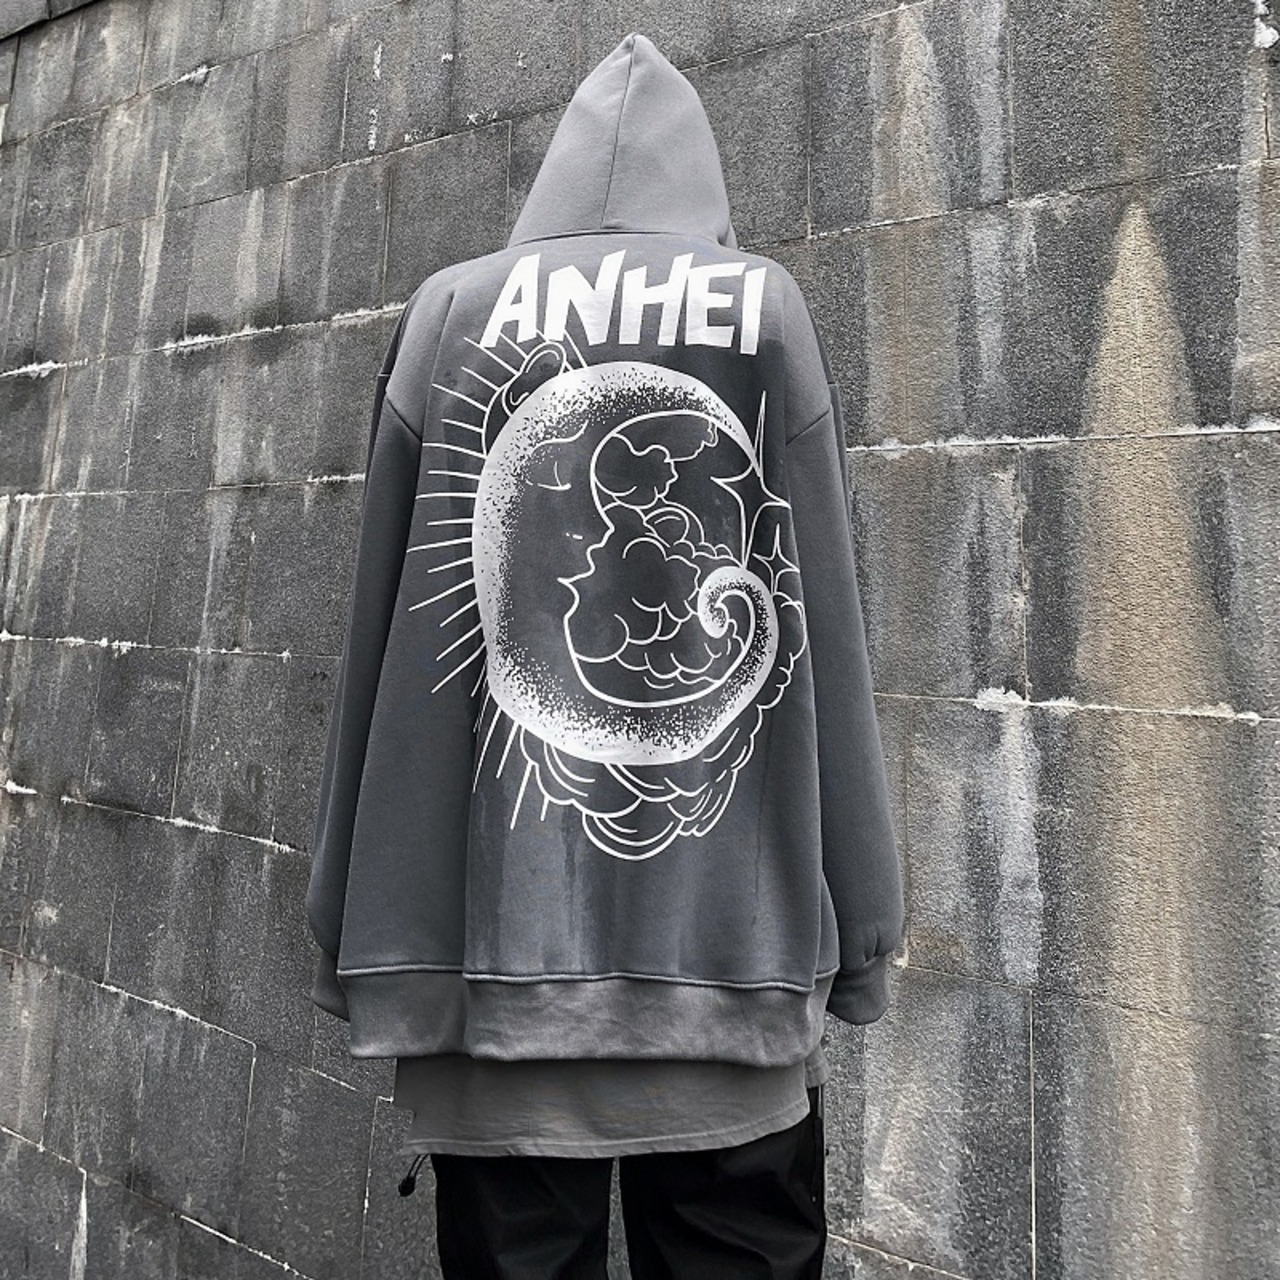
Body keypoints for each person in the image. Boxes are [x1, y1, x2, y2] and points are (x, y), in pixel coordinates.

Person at [306, 33, 904, 1278]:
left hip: (488, 989)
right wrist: (862, 923)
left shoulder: (449, 312)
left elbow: (381, 633)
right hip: (730, 980)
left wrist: (341, 919)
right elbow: (826, 637)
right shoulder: (761, 309)